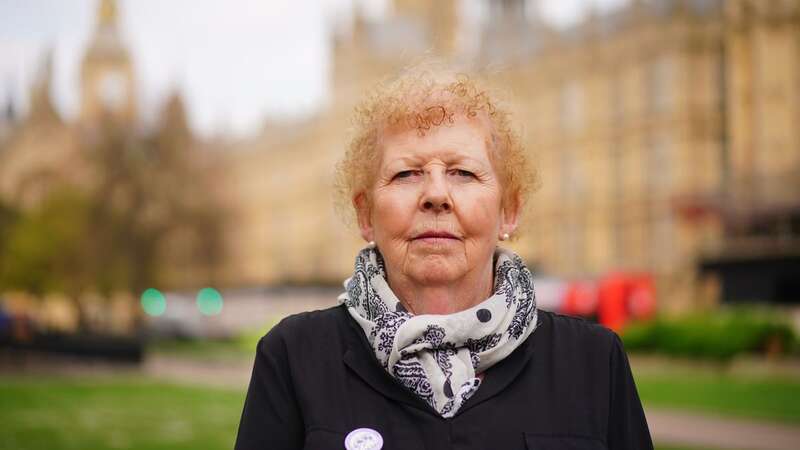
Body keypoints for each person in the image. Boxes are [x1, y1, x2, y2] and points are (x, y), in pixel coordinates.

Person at [235, 65, 653, 450]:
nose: (436, 194)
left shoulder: (593, 363)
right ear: (365, 214)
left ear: (509, 209)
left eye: (463, 173)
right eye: (407, 173)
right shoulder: (295, 357)